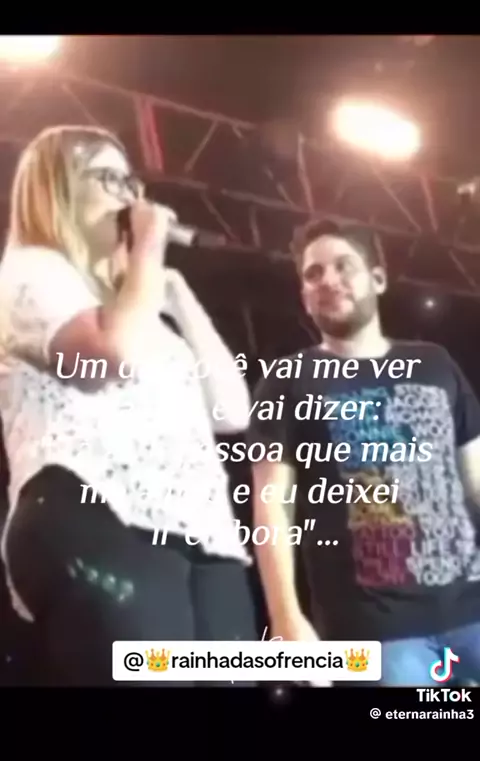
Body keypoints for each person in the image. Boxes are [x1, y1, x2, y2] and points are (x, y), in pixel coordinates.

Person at [0, 124, 258, 686]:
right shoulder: (31, 270)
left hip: (202, 536)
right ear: (58, 188)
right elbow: (107, 358)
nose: (131, 198)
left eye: (131, 182)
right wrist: (148, 248)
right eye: (109, 179)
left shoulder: (141, 312)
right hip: (98, 509)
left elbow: (231, 411)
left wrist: (176, 294)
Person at [247, 218, 480, 686]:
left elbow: (475, 478)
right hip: (373, 632)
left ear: (378, 278)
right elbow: (272, 506)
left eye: (343, 266)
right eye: (313, 274)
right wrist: (286, 619)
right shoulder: (288, 379)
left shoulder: (434, 362)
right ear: (304, 296)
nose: (328, 280)